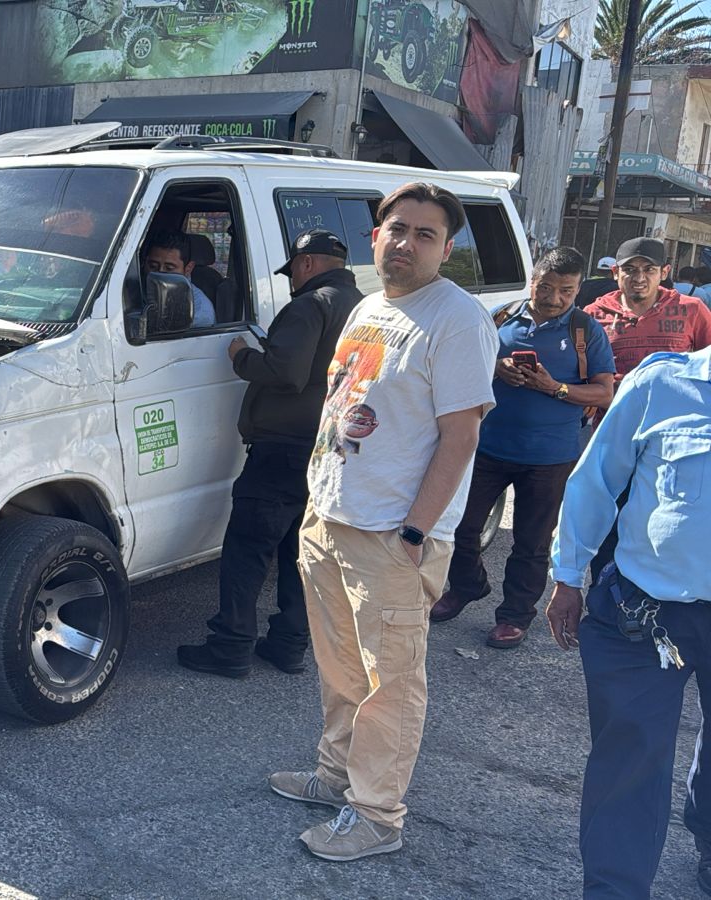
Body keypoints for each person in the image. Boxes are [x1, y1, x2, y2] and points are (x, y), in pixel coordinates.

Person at [269, 182, 497, 862]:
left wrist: (415, 532)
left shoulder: (457, 319)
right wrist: (318, 500)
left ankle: (376, 815)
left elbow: (461, 437)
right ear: (376, 236)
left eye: (425, 235)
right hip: (332, 518)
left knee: (390, 684)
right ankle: (336, 776)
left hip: (392, 535)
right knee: (341, 670)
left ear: (446, 250)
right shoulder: (369, 306)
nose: (407, 242)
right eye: (397, 229)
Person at [545, 346, 711, 899]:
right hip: (649, 615)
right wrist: (568, 576)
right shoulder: (663, 384)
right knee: (629, 761)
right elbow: (595, 479)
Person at [175, 229, 362, 678]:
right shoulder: (363, 305)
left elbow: (285, 373)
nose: (293, 280)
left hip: (281, 446)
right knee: (301, 550)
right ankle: (289, 643)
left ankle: (231, 646)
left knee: (248, 548)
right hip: (326, 445)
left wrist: (241, 354)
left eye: (294, 270)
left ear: (308, 265)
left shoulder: (309, 305)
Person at [428, 247, 617, 648]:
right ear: (533, 281)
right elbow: (461, 362)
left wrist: (554, 387)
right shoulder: (498, 317)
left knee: (531, 544)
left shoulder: (585, 331)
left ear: (578, 288)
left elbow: (603, 393)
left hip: (550, 457)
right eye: (546, 286)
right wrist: (496, 367)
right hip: (487, 446)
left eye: (566, 290)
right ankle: (466, 586)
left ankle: (514, 616)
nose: (554, 297)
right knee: (459, 528)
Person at [581, 237, 711, 582]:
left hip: (672, 442)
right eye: (630, 269)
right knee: (608, 517)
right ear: (615, 272)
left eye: (648, 269)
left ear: (664, 273)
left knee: (662, 516)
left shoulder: (691, 311)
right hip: (611, 434)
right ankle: (607, 595)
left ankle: (658, 594)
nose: (639, 277)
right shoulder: (592, 316)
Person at [141, 231, 217, 327]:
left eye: (169, 268)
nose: (159, 273)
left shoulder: (200, 310)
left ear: (188, 268)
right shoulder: (132, 288)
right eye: (153, 266)